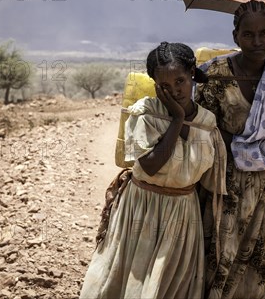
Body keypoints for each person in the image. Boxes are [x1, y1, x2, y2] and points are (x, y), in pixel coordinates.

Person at [79, 42, 226, 299]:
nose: (175, 90)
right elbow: (150, 164)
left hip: (182, 214)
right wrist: (177, 119)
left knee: (170, 283)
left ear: (192, 72)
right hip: (142, 208)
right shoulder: (146, 113)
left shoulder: (207, 123)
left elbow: (209, 179)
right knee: (131, 278)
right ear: (154, 83)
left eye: (180, 81)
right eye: (165, 86)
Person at [196, 0, 265, 299]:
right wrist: (260, 147)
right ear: (236, 36)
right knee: (221, 261)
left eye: (264, 33)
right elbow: (203, 130)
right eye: (248, 34)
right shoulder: (215, 76)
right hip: (224, 186)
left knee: (262, 268)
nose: (257, 41)